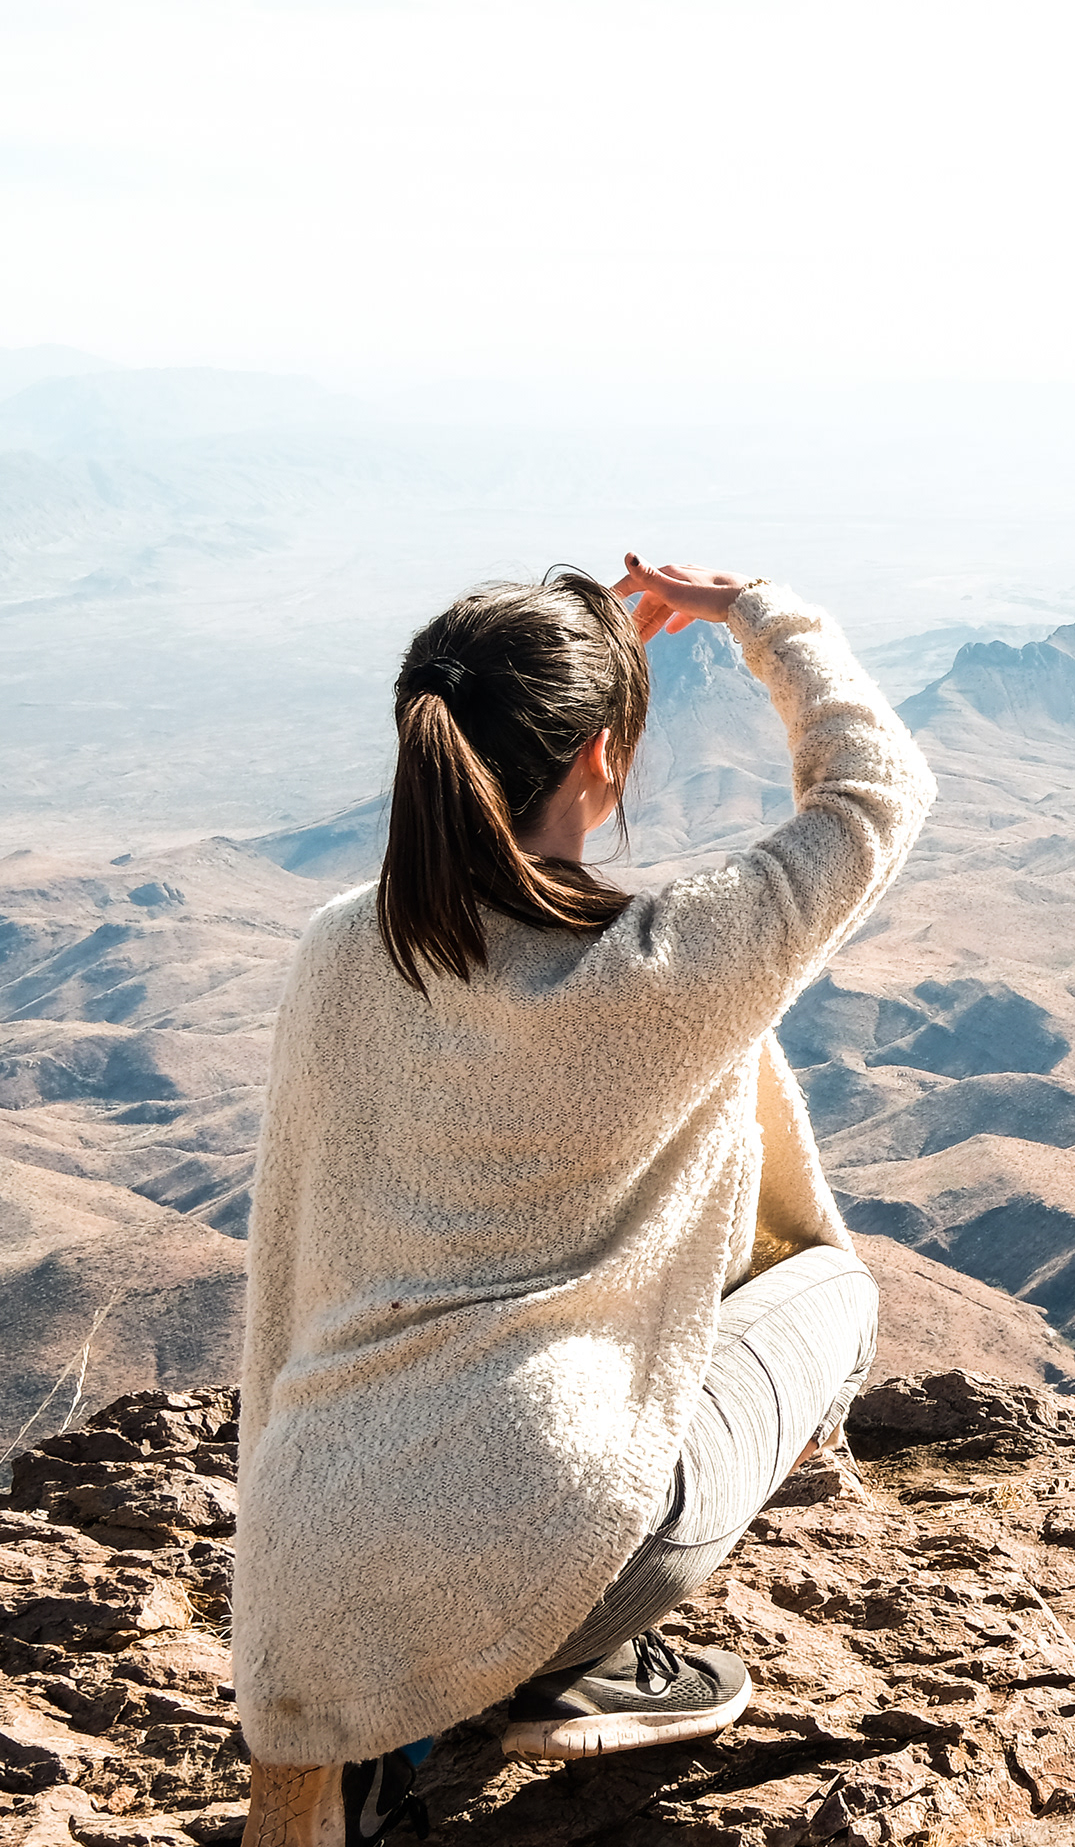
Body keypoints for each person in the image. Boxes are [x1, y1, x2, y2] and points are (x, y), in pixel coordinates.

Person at [233, 557, 936, 1846]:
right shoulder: (669, 959)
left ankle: (398, 1718)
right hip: (574, 1521)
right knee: (834, 1289)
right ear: (603, 762)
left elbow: (288, 1253)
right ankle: (558, 1658)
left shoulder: (341, 948)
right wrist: (756, 613)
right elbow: (878, 785)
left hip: (312, 1543)